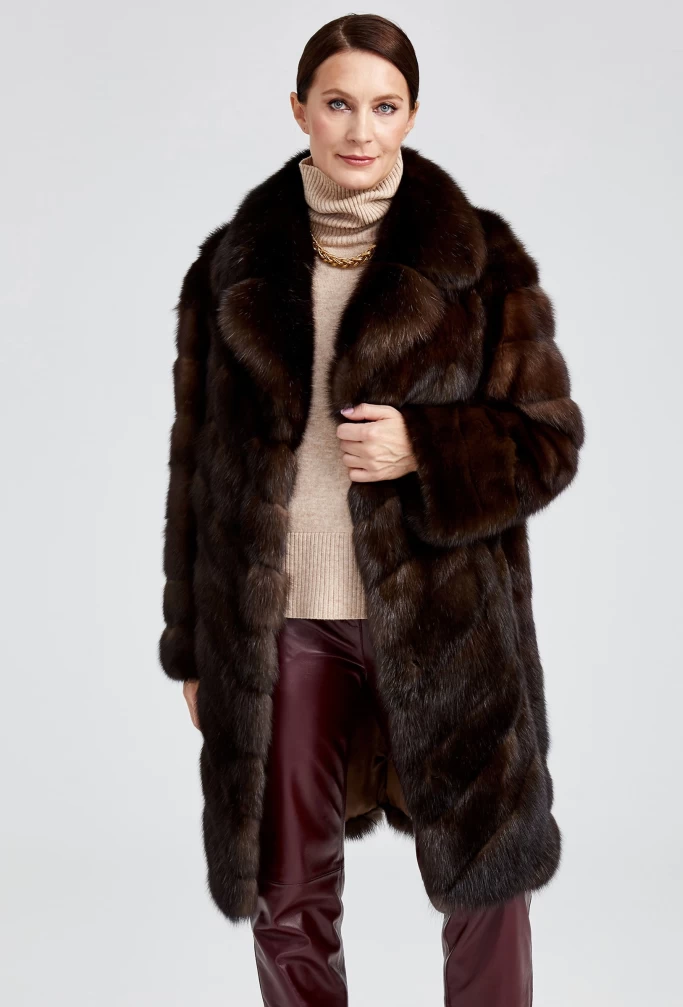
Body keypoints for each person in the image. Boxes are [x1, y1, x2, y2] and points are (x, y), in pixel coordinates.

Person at [159, 13, 584, 1005]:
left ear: (412, 115)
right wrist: (192, 649)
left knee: (486, 881)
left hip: (446, 619)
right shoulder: (229, 271)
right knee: (288, 892)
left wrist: (425, 448)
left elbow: (547, 440)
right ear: (299, 109)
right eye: (339, 103)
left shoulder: (479, 260)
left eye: (384, 106)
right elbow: (194, 473)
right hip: (283, 627)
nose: (361, 129)